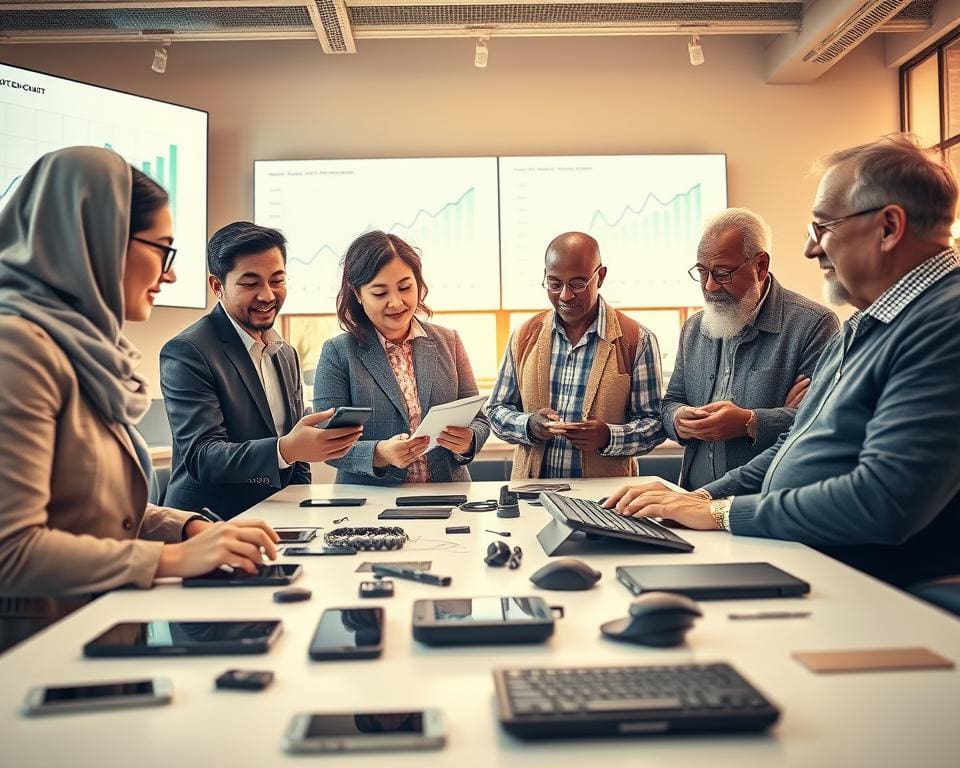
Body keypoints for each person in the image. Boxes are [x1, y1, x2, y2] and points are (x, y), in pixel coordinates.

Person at [605, 134, 960, 588]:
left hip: (880, 592)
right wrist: (696, 499)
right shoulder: (867, 325)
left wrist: (718, 512)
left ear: (889, 227)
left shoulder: (942, 323)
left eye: (822, 228)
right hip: (807, 560)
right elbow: (792, 443)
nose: (811, 250)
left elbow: (883, 501)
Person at [0, 147, 280, 652]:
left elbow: (98, 514)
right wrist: (168, 561)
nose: (169, 275)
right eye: (162, 250)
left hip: (100, 630)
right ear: (101, 243)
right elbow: (10, 550)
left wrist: (186, 526)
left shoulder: (84, 351)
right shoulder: (18, 350)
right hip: (38, 649)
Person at [160, 222, 362, 519]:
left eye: (277, 280)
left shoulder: (285, 353)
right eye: (250, 283)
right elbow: (203, 456)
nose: (268, 295)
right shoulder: (188, 352)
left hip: (279, 520)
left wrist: (302, 510)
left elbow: (296, 455)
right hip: (211, 524)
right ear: (218, 286)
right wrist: (286, 449)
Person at [664, 208, 838, 489]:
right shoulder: (694, 328)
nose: (709, 285)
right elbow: (671, 401)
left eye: (722, 273)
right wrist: (678, 418)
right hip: (691, 498)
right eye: (702, 272)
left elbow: (820, 423)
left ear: (760, 265)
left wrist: (750, 422)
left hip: (761, 502)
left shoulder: (813, 324)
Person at [312, 231, 490, 485]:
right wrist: (378, 454)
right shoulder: (339, 353)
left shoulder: (449, 341)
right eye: (379, 293)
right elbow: (324, 441)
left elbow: (480, 420)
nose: (396, 302)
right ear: (358, 294)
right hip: (371, 502)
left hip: (447, 493)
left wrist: (469, 440)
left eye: (405, 287)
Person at [487, 231, 664, 479]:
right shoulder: (524, 336)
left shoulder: (637, 340)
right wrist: (529, 426)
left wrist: (608, 437)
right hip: (531, 495)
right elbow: (495, 410)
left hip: (605, 501)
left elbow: (655, 424)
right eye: (554, 284)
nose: (565, 296)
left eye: (578, 284)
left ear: (600, 277)